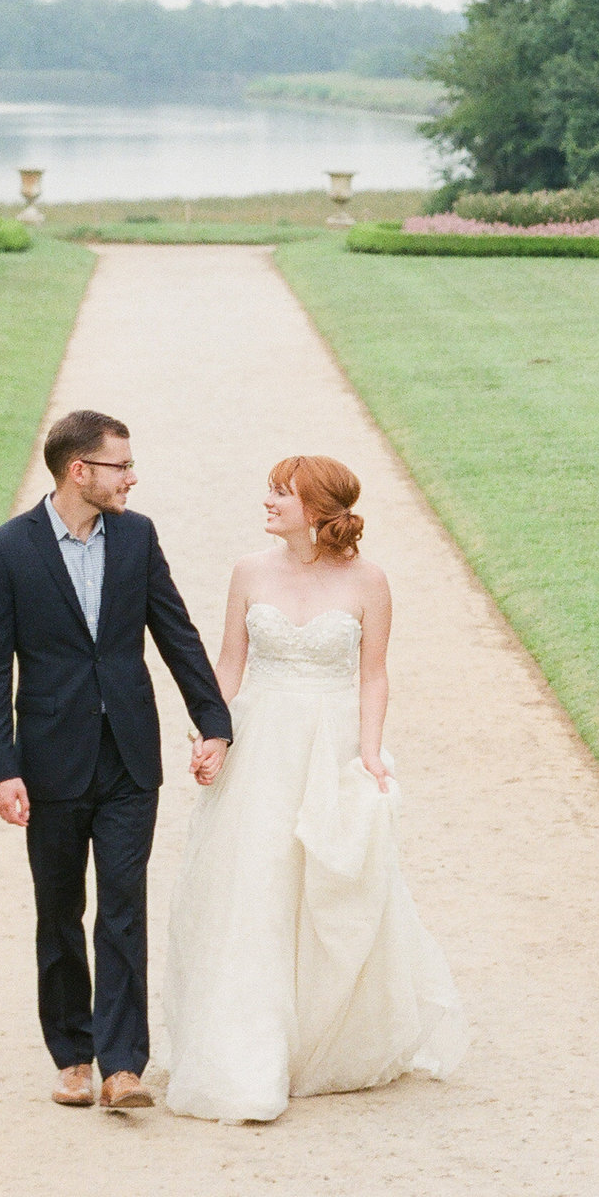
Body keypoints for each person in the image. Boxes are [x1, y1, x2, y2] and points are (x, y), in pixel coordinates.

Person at [160, 451, 466, 1124]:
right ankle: (251, 1049)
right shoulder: (248, 572)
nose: (268, 501)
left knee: (327, 882)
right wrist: (212, 731)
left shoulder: (369, 581)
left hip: (328, 743)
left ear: (319, 511)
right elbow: (230, 661)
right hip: (261, 742)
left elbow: (373, 673)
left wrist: (368, 751)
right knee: (256, 884)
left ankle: (319, 1037)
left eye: (282, 493)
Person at [0, 407, 233, 1115]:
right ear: (78, 470)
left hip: (127, 759)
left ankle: (122, 1064)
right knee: (59, 910)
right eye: (120, 465)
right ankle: (73, 1053)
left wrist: (213, 718)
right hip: (48, 761)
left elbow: (175, 629)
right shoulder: (6, 551)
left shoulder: (138, 536)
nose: (132, 476)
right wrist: (1, 765)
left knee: (122, 906)